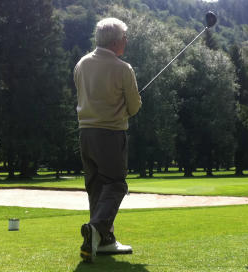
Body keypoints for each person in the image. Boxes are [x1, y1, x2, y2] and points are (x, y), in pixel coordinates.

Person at [74, 17, 142, 263]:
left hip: (85, 134)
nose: (126, 41)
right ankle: (97, 229)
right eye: (125, 38)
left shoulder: (81, 64)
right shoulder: (123, 68)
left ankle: (104, 240)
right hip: (111, 135)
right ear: (116, 42)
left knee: (96, 187)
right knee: (115, 184)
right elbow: (134, 108)